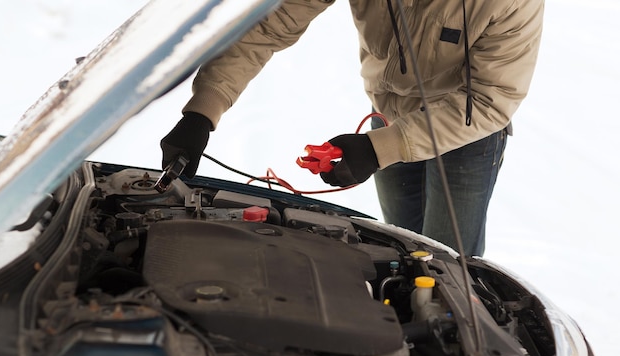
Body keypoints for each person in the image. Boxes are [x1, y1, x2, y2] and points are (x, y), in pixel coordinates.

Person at [159, 0, 544, 256]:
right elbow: (267, 28)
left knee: (445, 264)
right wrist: (201, 113)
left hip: (467, 134)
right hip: (387, 117)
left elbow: (493, 96)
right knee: (402, 249)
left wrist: (379, 149)